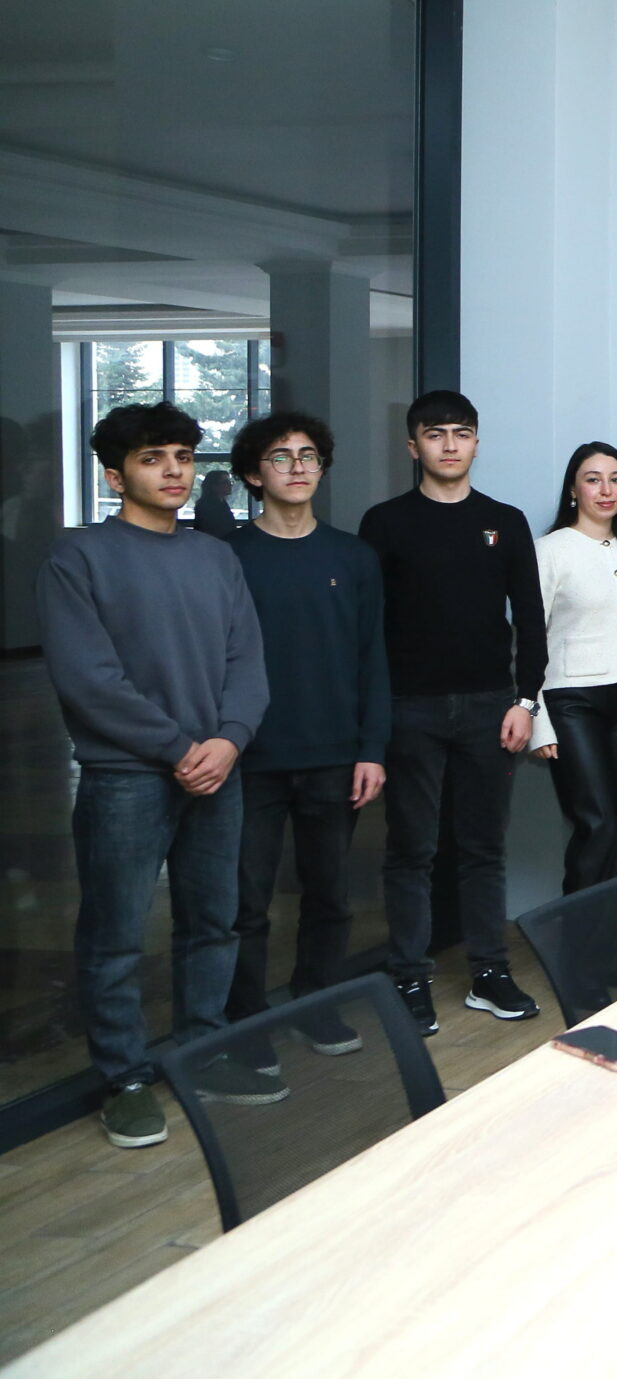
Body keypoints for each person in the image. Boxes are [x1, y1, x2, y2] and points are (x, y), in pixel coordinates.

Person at [40, 402, 270, 1146]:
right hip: (126, 777)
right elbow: (90, 680)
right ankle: (125, 1078)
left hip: (219, 768)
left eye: (182, 456)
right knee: (115, 935)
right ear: (115, 476)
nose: (174, 470)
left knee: (214, 922)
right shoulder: (78, 558)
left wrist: (229, 741)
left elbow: (247, 663)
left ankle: (203, 1050)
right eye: (152, 458)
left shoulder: (216, 556)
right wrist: (179, 748)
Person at [360, 390, 546, 1034]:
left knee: (482, 848)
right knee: (411, 849)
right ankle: (409, 977)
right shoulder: (385, 523)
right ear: (413, 446)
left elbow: (530, 619)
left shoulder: (505, 521)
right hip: (409, 707)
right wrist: (376, 714)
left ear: (475, 443)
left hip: (491, 708)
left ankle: (489, 972)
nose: (449, 444)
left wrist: (526, 700)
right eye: (435, 434)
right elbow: (368, 626)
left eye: (461, 433)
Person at [225, 411, 388, 1064]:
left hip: (334, 755)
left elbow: (372, 657)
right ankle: (245, 1022)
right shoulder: (229, 556)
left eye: (309, 455)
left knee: (329, 895)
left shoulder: (353, 556)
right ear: (252, 474)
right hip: (249, 757)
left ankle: (316, 1002)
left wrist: (372, 749)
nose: (297, 467)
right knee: (246, 902)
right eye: (280, 456)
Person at [528, 442, 617, 896]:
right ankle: (580, 934)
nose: (606, 490)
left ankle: (607, 934)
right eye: (593, 479)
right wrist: (537, 721)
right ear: (573, 489)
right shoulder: (549, 550)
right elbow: (527, 639)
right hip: (571, 702)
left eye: (616, 480)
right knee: (596, 822)